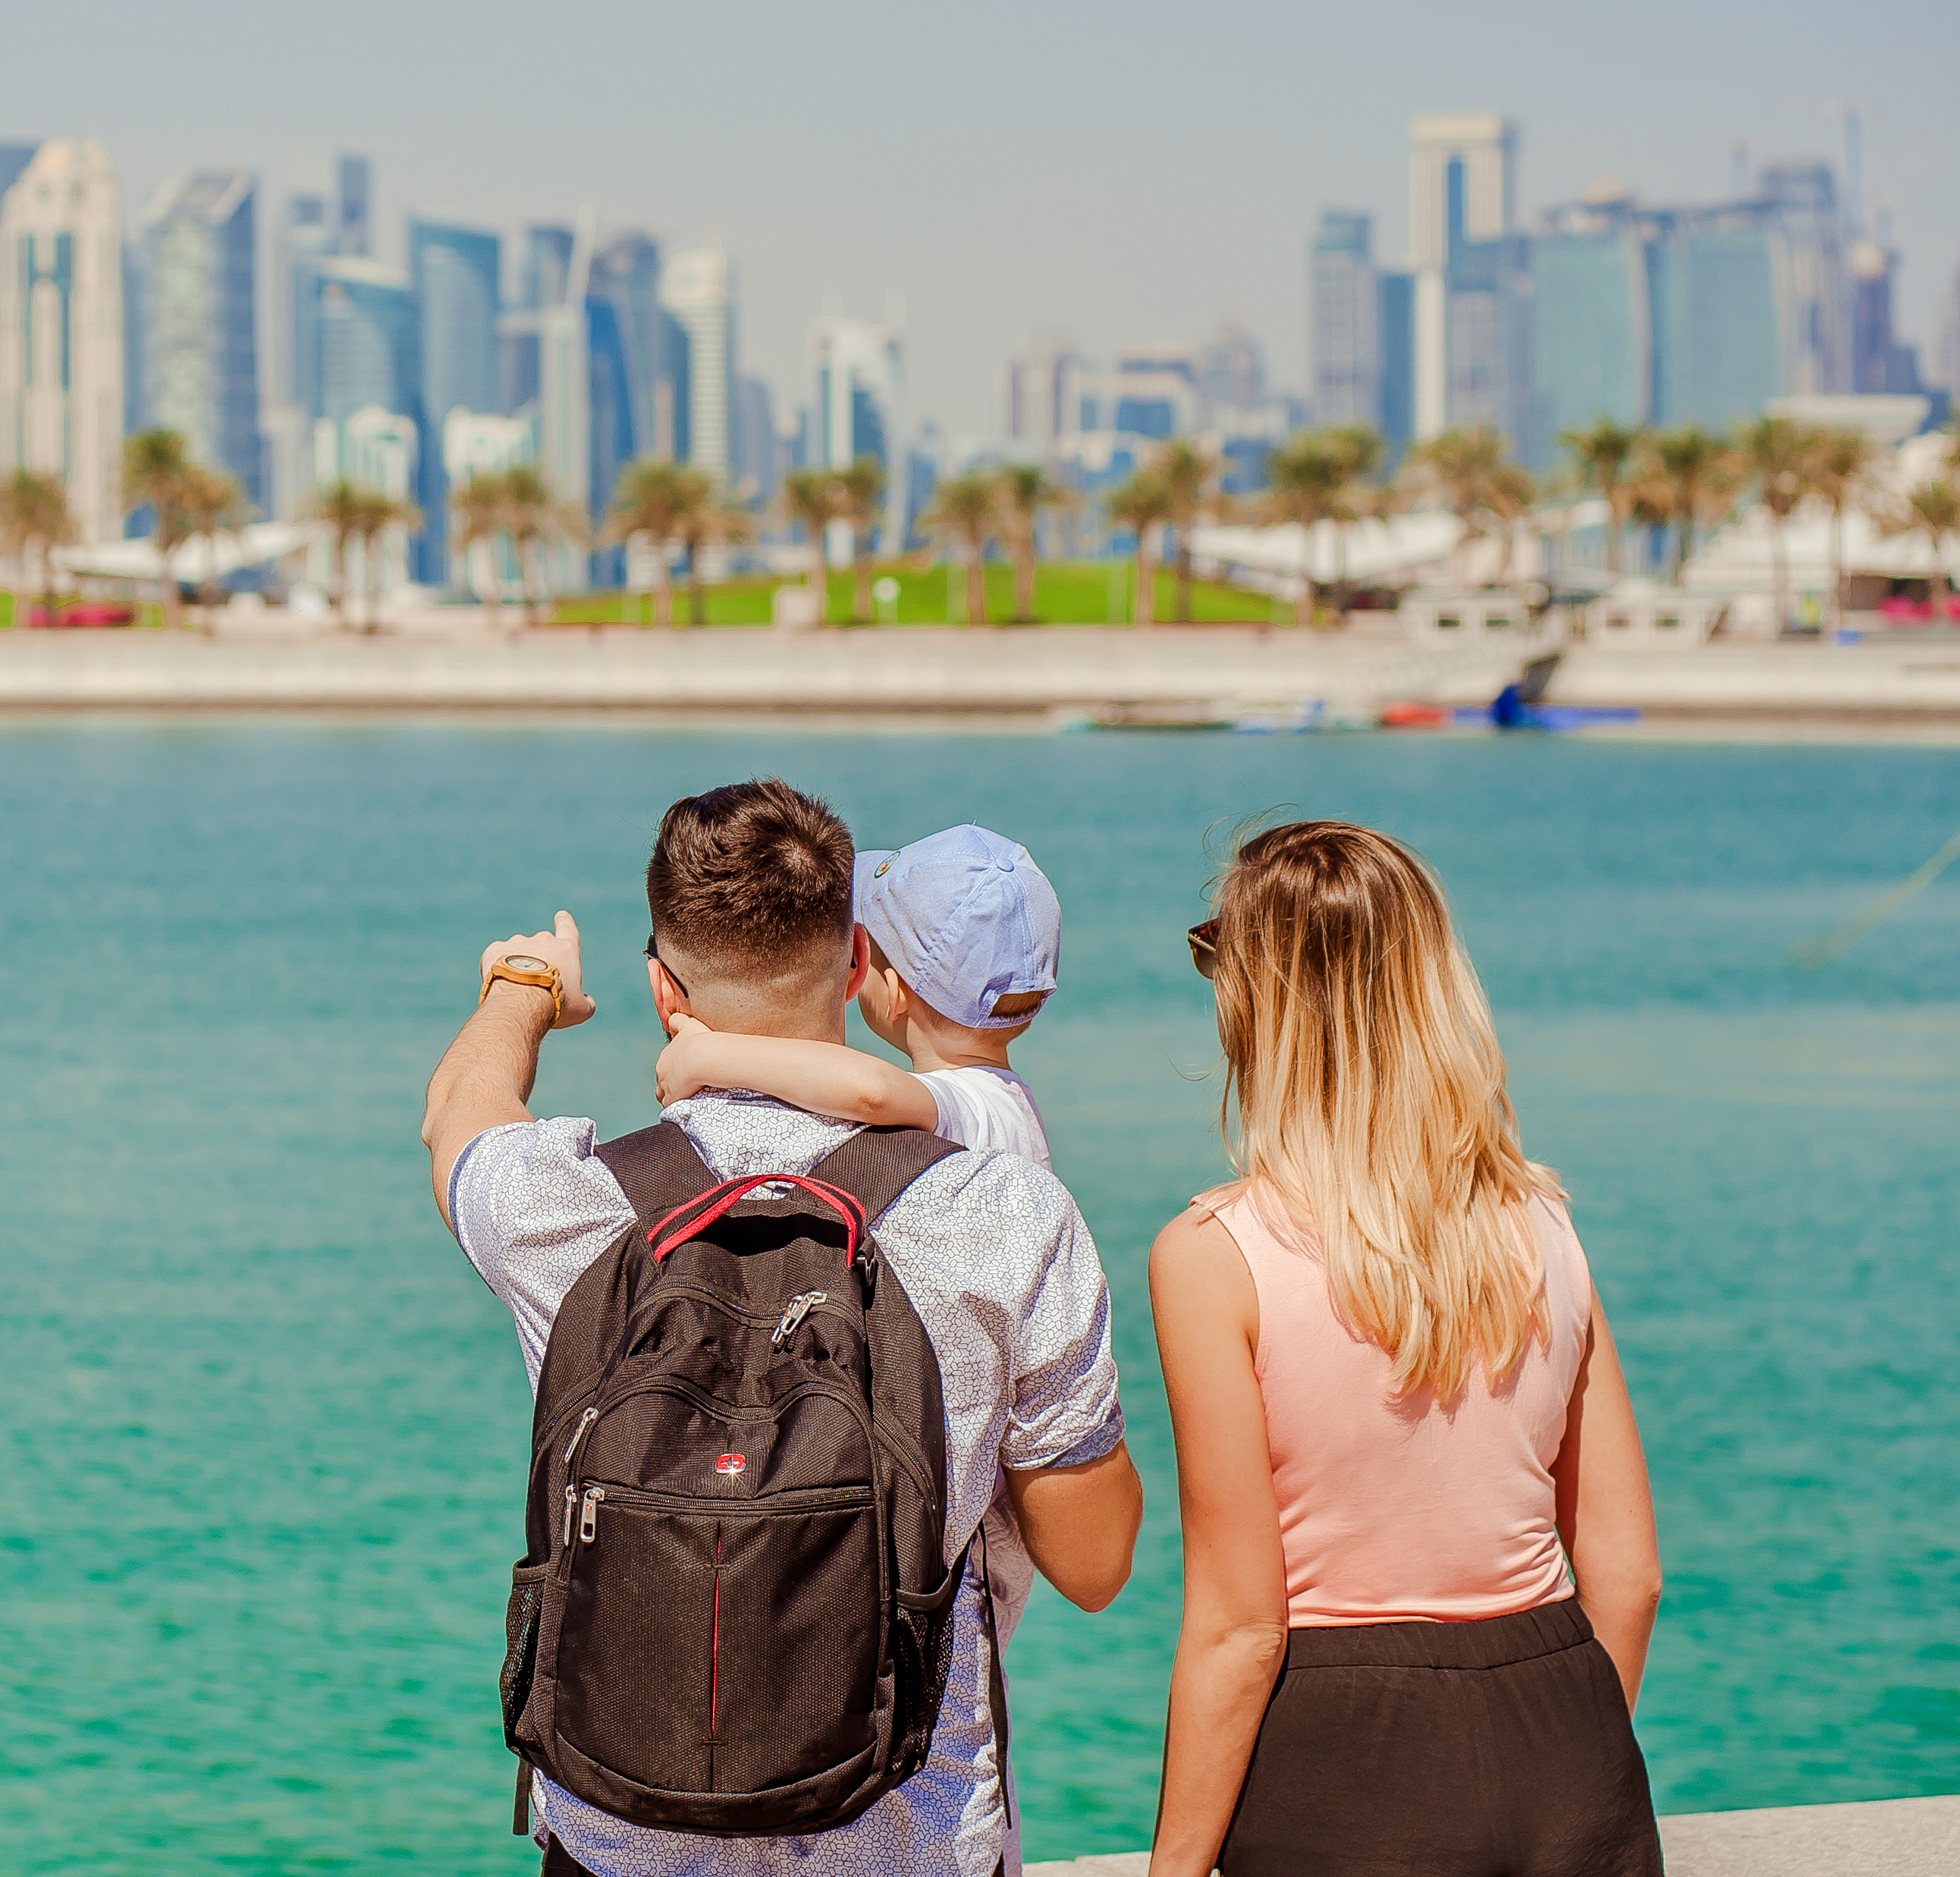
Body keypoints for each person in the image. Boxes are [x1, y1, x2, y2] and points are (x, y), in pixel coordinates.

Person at [420, 779, 1143, 1877]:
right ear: (856, 965)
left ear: (664, 991)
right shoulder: (1003, 1211)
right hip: (909, 1837)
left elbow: (458, 1118)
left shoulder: (563, 1209)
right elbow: (1092, 1561)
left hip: (622, 1847)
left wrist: (520, 987)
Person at [1145, 820, 1664, 1877]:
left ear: (1254, 995)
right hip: (1565, 1733)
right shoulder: (1541, 1223)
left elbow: (1240, 1627)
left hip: (1340, 1755)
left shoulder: (1215, 1255)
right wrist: (1565, 1754)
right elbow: (1628, 1571)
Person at [652, 823, 1059, 1168]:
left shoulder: (968, 1105)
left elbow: (872, 1091)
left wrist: (705, 1055)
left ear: (895, 992)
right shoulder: (1007, 1100)